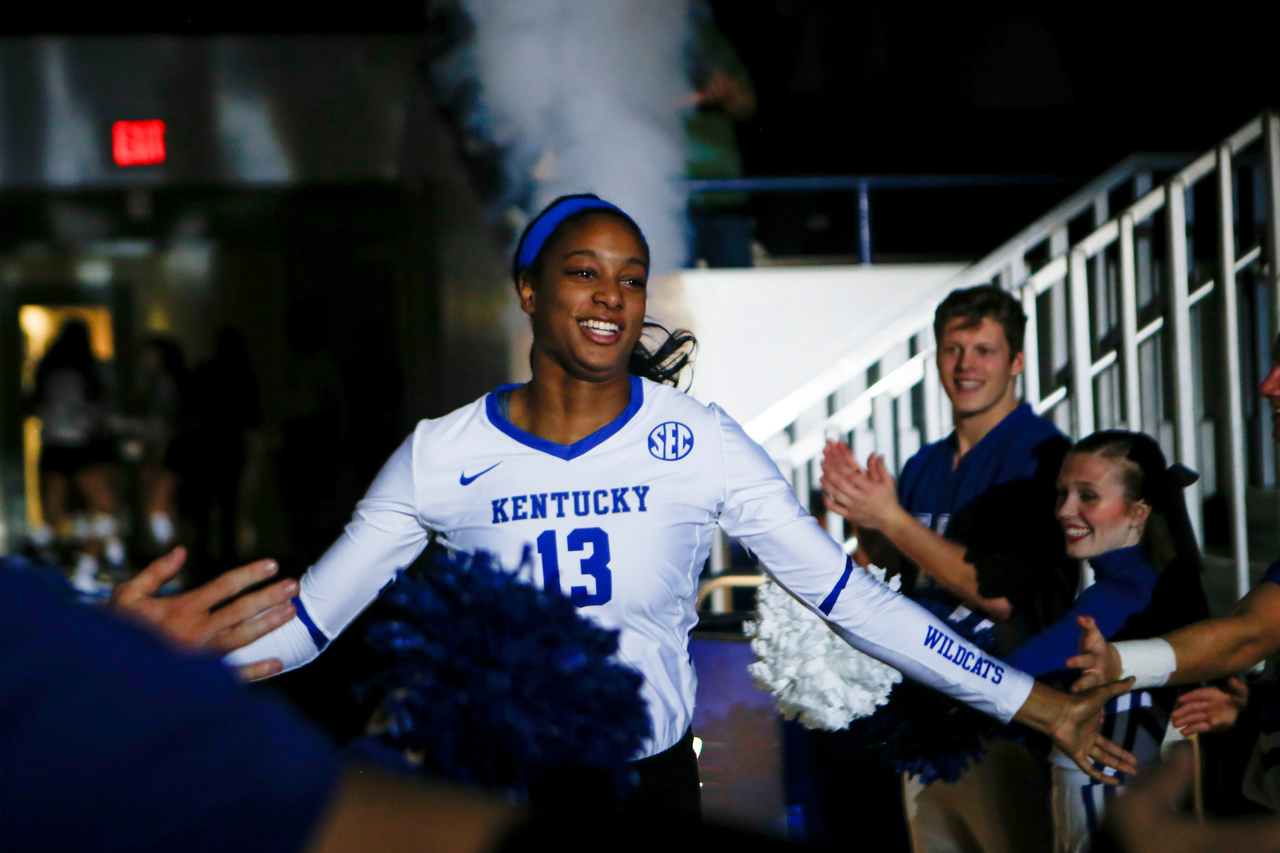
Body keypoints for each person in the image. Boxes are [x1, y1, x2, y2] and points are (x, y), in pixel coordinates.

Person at [225, 194, 1135, 819]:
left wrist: (1038, 705)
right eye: (584, 272)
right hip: (501, 794)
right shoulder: (441, 454)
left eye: (630, 276)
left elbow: (850, 600)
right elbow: (308, 622)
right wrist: (130, 663)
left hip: (649, 790)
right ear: (530, 290)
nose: (612, 296)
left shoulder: (696, 439)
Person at [820, 285, 1077, 852]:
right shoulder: (926, 462)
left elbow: (1006, 594)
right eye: (952, 349)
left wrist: (891, 517)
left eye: (983, 350)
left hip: (1006, 714)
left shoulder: (1041, 456)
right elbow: (898, 574)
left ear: (1016, 362)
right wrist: (865, 525)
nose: (966, 366)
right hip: (925, 713)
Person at [999, 431, 1208, 852]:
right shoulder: (1146, 582)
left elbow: (1006, 680)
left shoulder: (1125, 595)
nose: (1064, 510)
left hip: (1107, 794)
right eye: (1062, 493)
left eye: (1087, 496)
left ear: (1138, 511)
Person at [1068, 331, 1280, 695]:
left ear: (1140, 510)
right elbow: (1253, 629)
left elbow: (1251, 636)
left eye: (1088, 495)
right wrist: (1255, 709)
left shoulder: (1118, 598)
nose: (1266, 385)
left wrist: (1121, 662)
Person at [29, 320, 123, 592]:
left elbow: (35, 406)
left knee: (57, 516)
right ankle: (84, 568)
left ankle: (81, 571)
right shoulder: (89, 371)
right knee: (100, 509)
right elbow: (103, 412)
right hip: (80, 447)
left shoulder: (49, 370)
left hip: (60, 447)